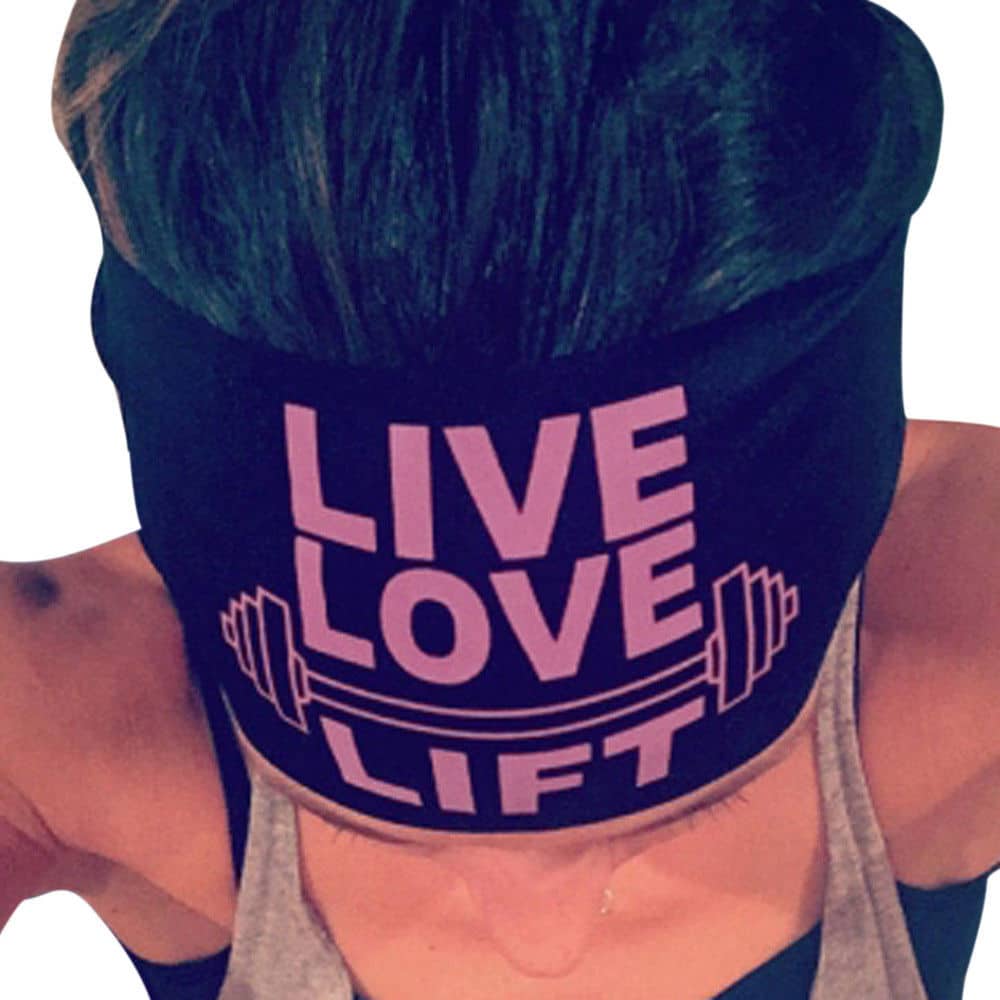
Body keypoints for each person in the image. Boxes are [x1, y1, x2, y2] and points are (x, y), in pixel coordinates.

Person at [2, 1, 998, 998]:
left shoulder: (965, 616)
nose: (541, 926)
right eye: (386, 822)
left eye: (684, 801)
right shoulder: (61, 719)